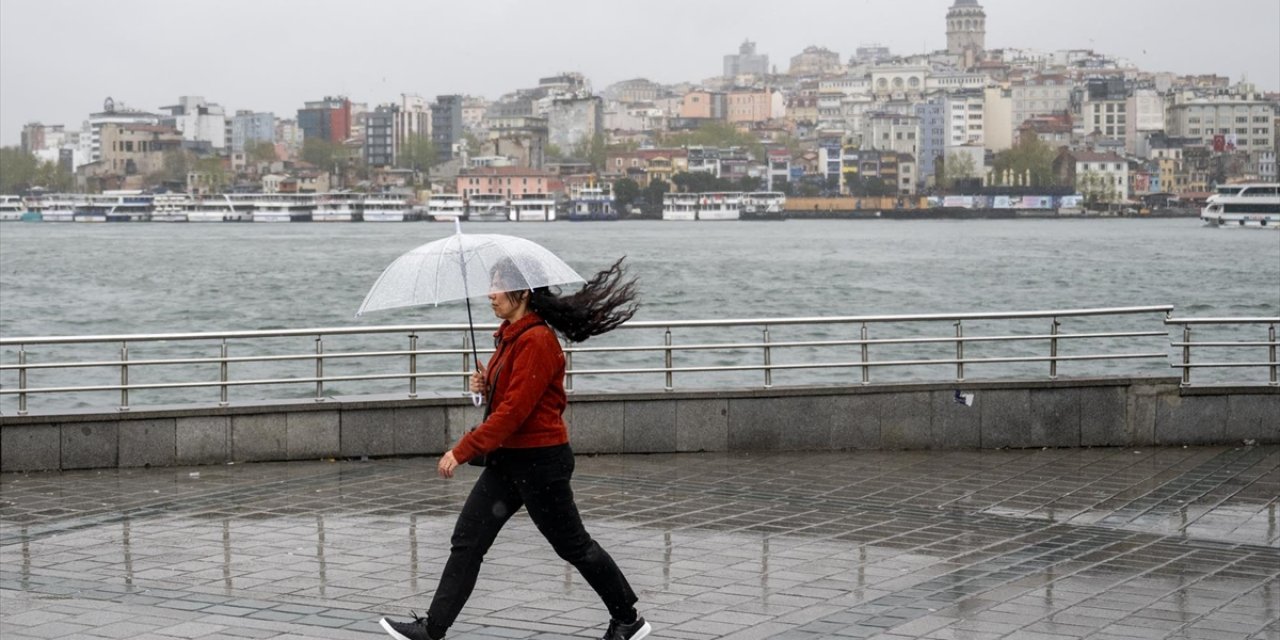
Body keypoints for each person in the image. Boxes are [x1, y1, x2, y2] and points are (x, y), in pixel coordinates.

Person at [380, 257, 649, 640]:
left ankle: (628, 618)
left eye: (498, 286)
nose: (490, 294)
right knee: (467, 541)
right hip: (509, 461)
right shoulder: (510, 335)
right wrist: (485, 385)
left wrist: (462, 450)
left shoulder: (537, 340)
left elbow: (514, 413)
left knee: (573, 545)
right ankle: (433, 629)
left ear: (522, 292)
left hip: (541, 463)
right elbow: (512, 398)